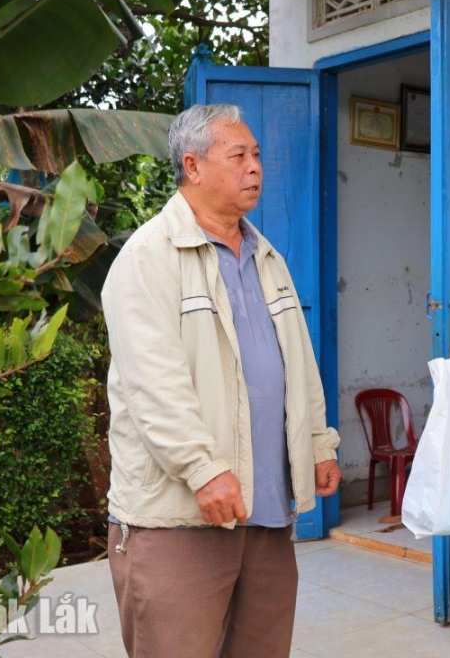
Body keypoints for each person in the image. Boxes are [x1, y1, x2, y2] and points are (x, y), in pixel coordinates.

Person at [101, 103, 342, 658]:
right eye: (239, 156)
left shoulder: (266, 256)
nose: (255, 167)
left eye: (256, 155)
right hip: (180, 520)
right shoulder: (147, 258)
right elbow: (152, 386)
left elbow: (297, 363)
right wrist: (204, 470)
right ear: (193, 166)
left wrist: (316, 443)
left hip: (264, 513)